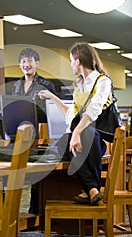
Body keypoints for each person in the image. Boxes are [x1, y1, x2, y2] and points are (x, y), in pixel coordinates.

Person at [38, 42, 112, 205]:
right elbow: (71, 115)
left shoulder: (103, 81)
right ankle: (92, 189)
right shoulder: (79, 85)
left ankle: (91, 189)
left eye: (71, 60)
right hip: (80, 141)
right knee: (68, 140)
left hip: (95, 139)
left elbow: (94, 110)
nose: (71, 64)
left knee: (86, 133)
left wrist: (76, 133)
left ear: (78, 61)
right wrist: (53, 97)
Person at [12, 47, 57, 214]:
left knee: (37, 174)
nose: (26, 64)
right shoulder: (16, 85)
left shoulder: (46, 84)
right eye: (23, 61)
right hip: (19, 133)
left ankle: (35, 210)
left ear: (37, 63)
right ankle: (15, 211)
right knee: (18, 172)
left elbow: (53, 112)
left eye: (30, 61)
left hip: (40, 134)